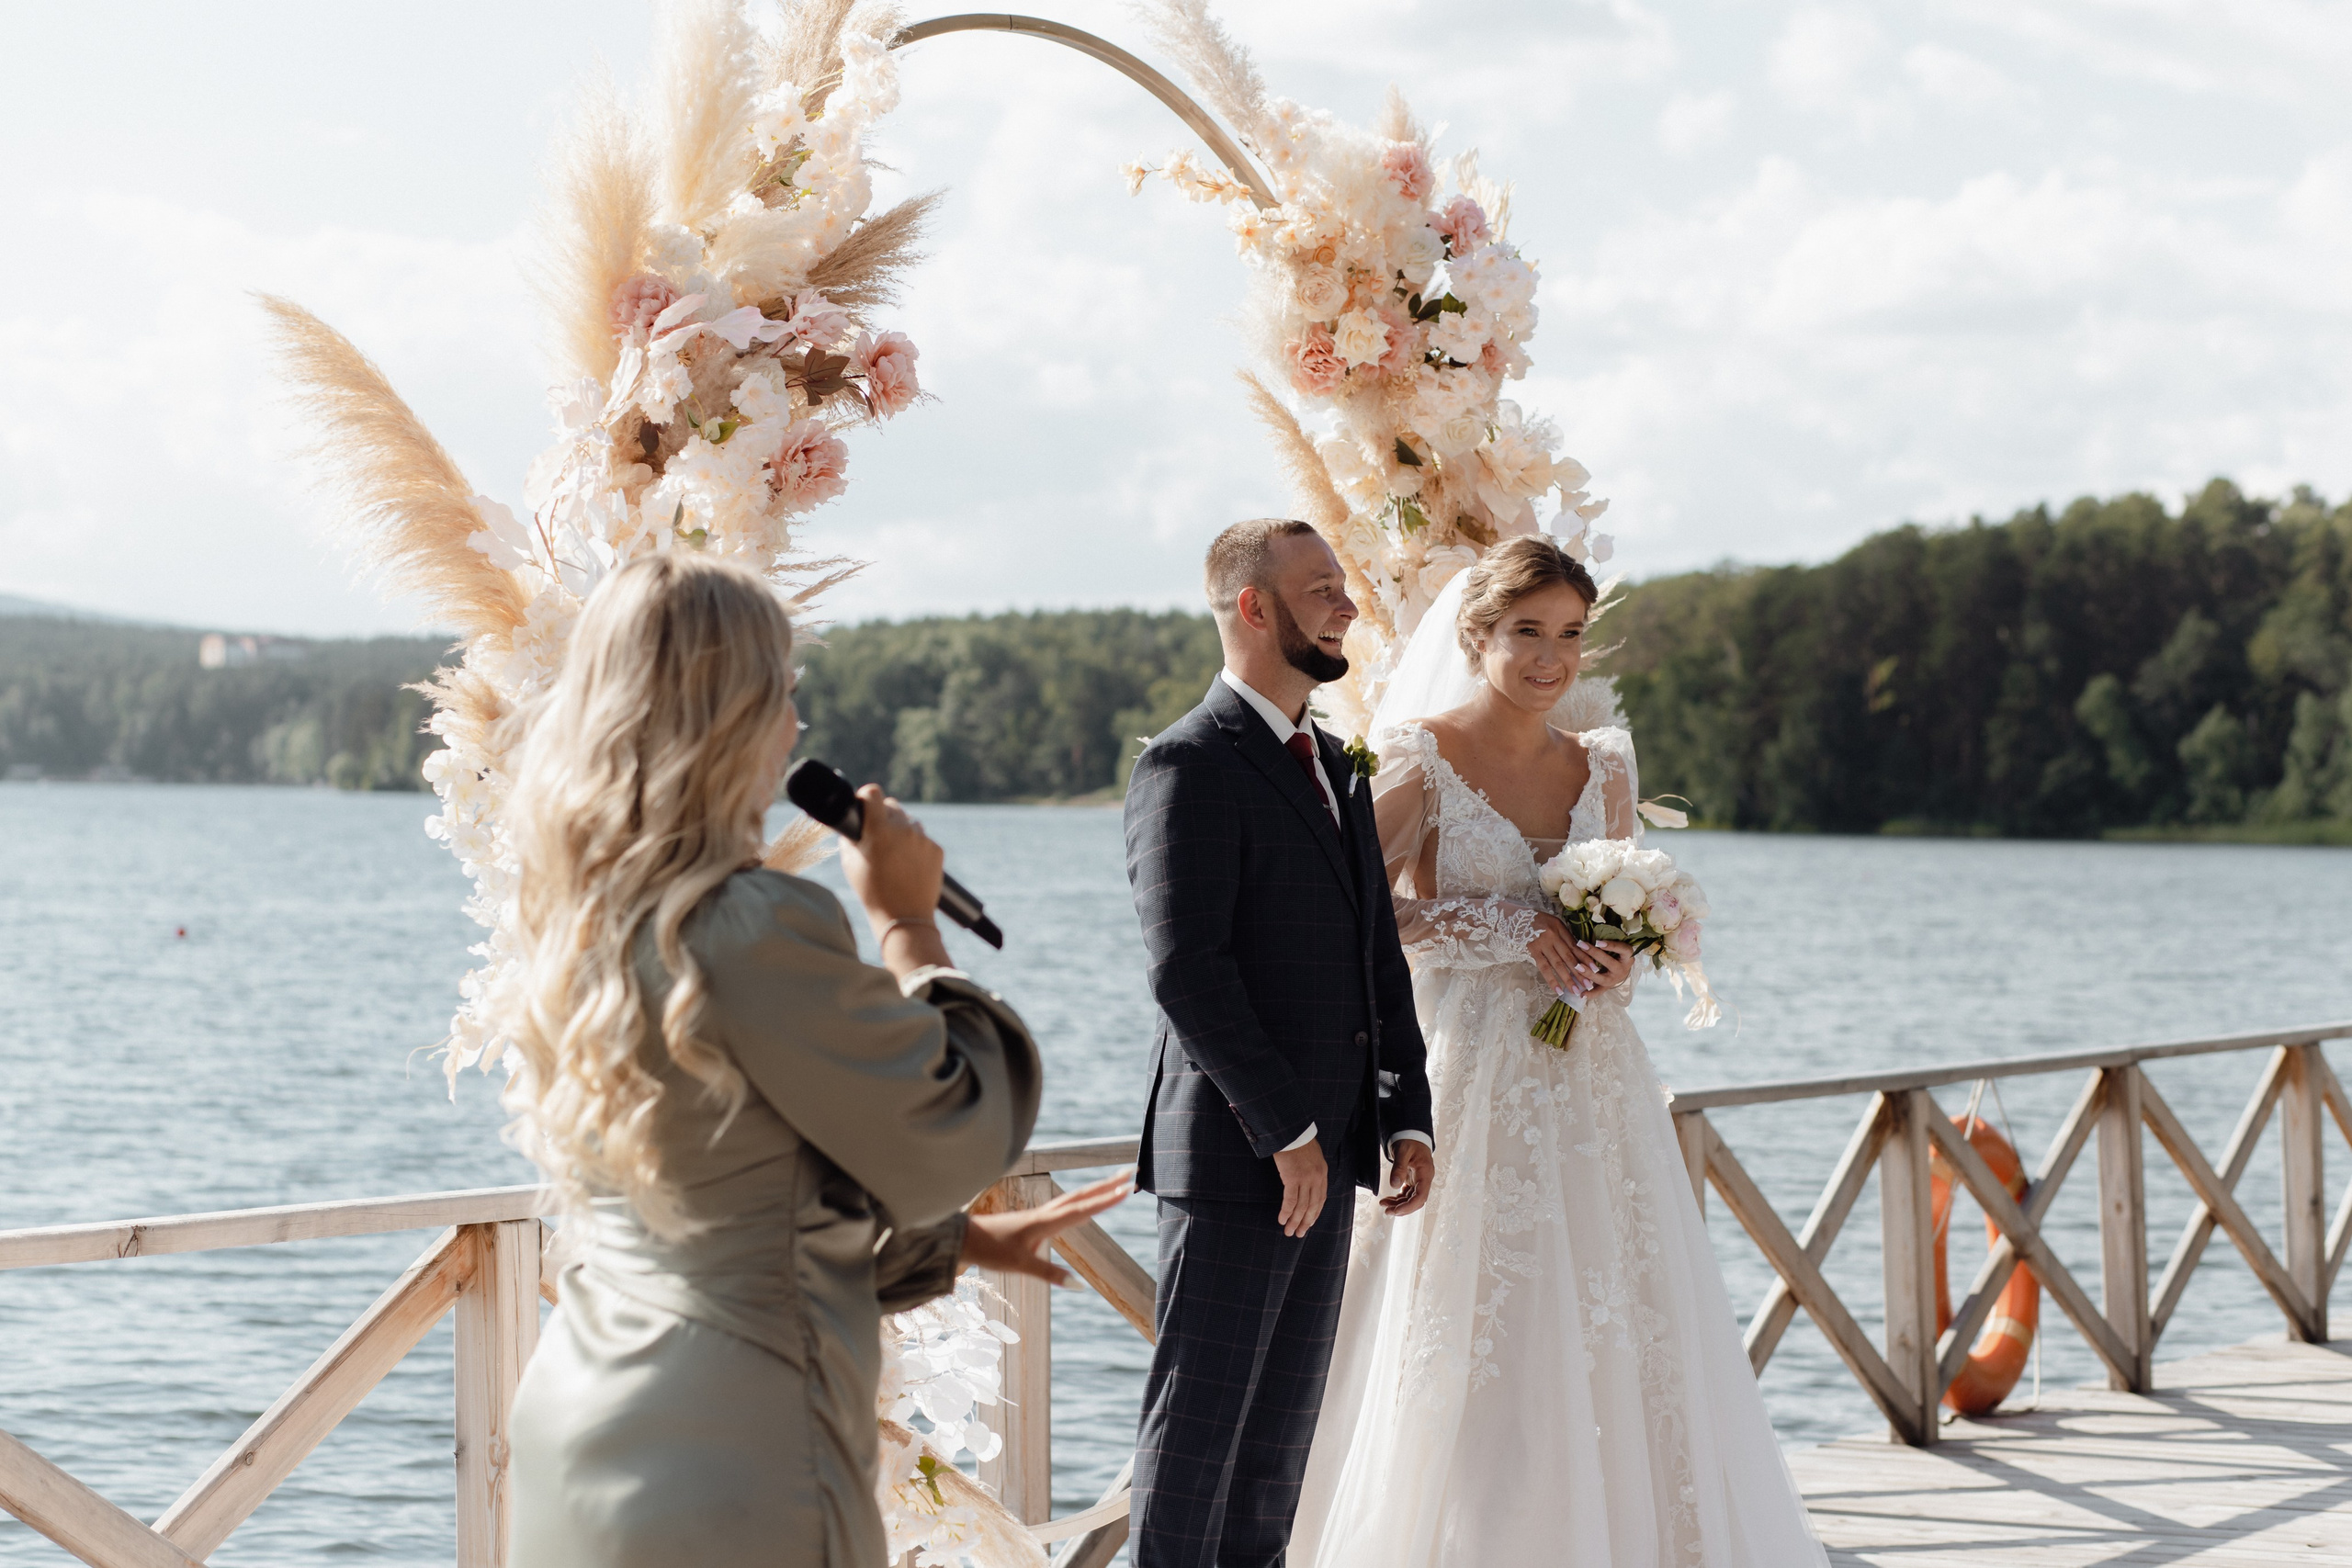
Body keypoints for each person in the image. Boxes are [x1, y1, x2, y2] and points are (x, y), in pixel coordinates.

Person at [497, 553, 1127, 1568]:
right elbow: (953, 1129)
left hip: (582, 1421)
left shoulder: (584, 924)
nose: (797, 728)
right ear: (735, 712)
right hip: (732, 1447)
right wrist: (910, 924)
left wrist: (950, 1246)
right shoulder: (749, 926)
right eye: (785, 693)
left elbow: (720, 1191)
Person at [1290, 534, 1826, 1565]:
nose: (1551, 659)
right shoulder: (1420, 759)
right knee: (1478, 1313)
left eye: (1570, 636)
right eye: (1527, 633)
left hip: (1594, 1075)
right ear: (1476, 635)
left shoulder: (1604, 763)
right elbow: (1355, 910)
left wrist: (1623, 953)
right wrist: (1501, 925)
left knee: (1619, 1306)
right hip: (1474, 1072)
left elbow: (1616, 883)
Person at [1123, 518, 1439, 1568]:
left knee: (1274, 1463)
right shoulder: (1185, 764)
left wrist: (1403, 1112)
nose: (1344, 604)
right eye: (1319, 589)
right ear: (1253, 608)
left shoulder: (1337, 767)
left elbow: (1373, 955)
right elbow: (1187, 972)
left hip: (1331, 1154)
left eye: (1341, 585)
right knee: (1197, 1444)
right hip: (1238, 1160)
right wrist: (1286, 1130)